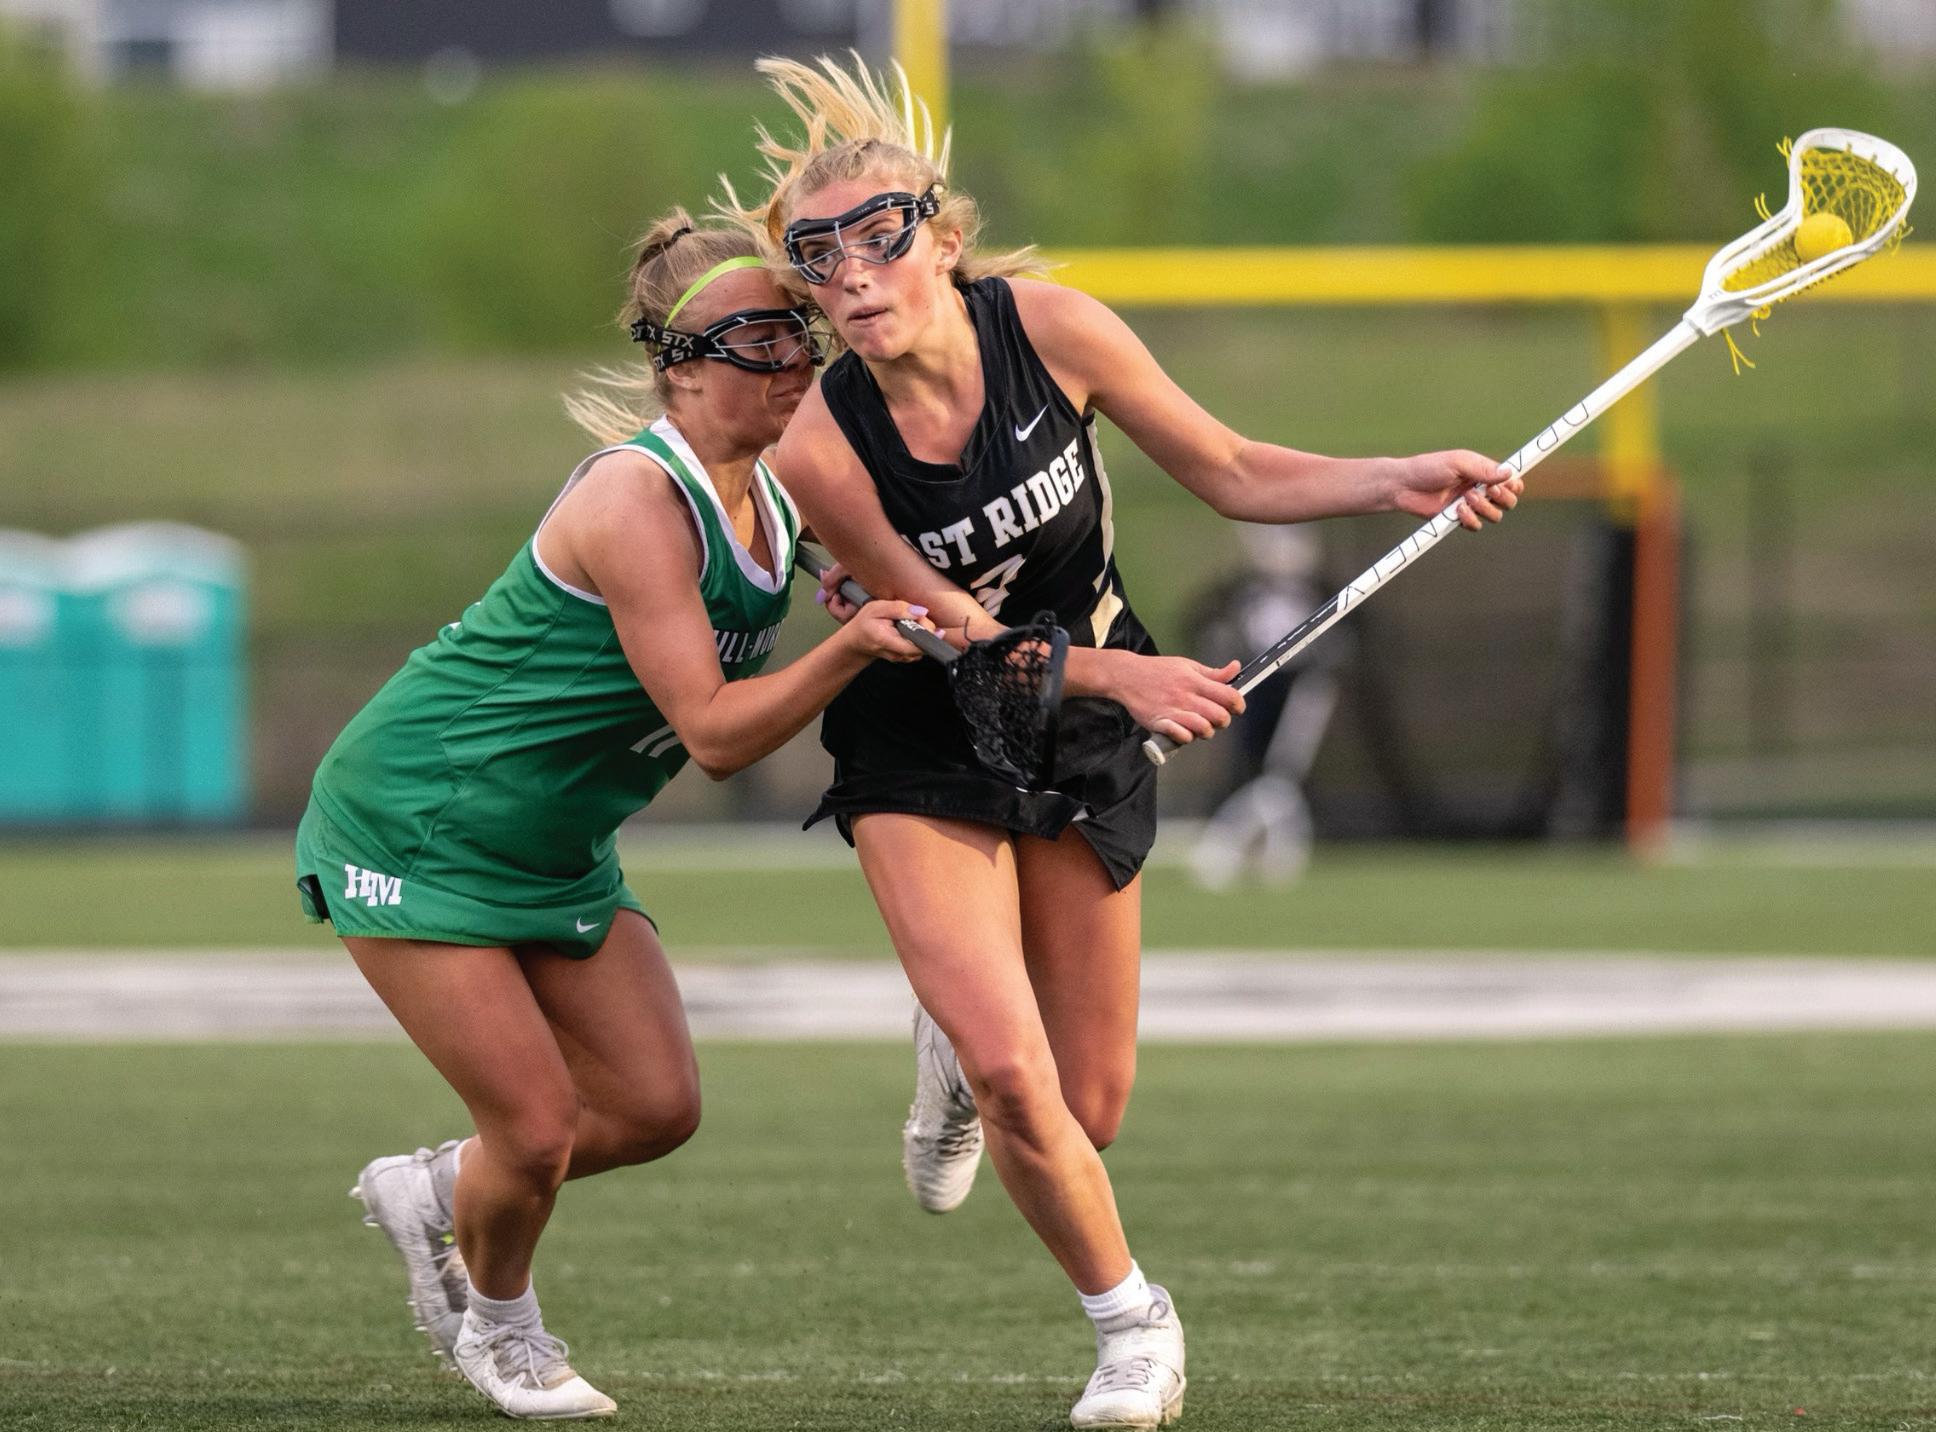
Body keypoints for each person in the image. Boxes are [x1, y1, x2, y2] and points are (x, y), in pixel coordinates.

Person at [726, 55, 1524, 1429]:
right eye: (818, 254)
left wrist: (1393, 478)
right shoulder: (820, 445)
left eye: (879, 236)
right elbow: (951, 631)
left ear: (944, 239)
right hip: (926, 736)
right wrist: (1133, 678)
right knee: (1016, 1075)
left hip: (1080, 728)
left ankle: (954, 1037)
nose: (852, 272)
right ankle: (1133, 1329)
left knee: (1081, 1108)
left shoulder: (1051, 329)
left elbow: (1230, 468)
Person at [292, 212, 930, 1422]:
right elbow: (716, 736)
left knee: (650, 1107)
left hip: (551, 840)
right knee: (534, 1129)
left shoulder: (773, 488)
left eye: (798, 337)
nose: (793, 362)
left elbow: (848, 563)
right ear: (679, 365)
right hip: (418, 821)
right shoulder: (637, 498)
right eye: (758, 341)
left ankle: (434, 1192)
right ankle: (502, 1331)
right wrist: (851, 644)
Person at [1182, 524, 1344, 888]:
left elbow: (1342, 638)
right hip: (1255, 685)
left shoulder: (1319, 593)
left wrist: (1326, 660)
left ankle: (1250, 844)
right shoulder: (1242, 591)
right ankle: (1256, 845)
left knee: (1282, 772)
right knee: (1257, 767)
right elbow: (1205, 621)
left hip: (1301, 686)